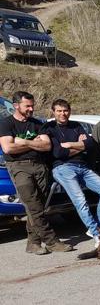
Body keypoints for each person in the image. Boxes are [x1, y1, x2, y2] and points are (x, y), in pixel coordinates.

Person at [0, 91, 72, 254]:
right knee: (33, 205)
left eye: (32, 105)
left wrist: (24, 141)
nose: (31, 109)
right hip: (18, 167)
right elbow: (8, 147)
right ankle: (51, 241)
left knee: (39, 206)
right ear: (16, 106)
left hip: (39, 166)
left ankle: (32, 243)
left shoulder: (38, 123)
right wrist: (34, 143)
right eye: (28, 106)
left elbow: (46, 146)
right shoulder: (6, 124)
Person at [41, 99, 100, 248]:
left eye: (65, 110)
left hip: (83, 167)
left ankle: (97, 227)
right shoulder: (49, 128)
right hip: (63, 168)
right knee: (80, 200)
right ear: (53, 112)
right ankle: (96, 234)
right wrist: (80, 146)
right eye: (59, 111)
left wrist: (71, 145)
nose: (63, 114)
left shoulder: (76, 125)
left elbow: (90, 144)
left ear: (70, 111)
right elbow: (58, 152)